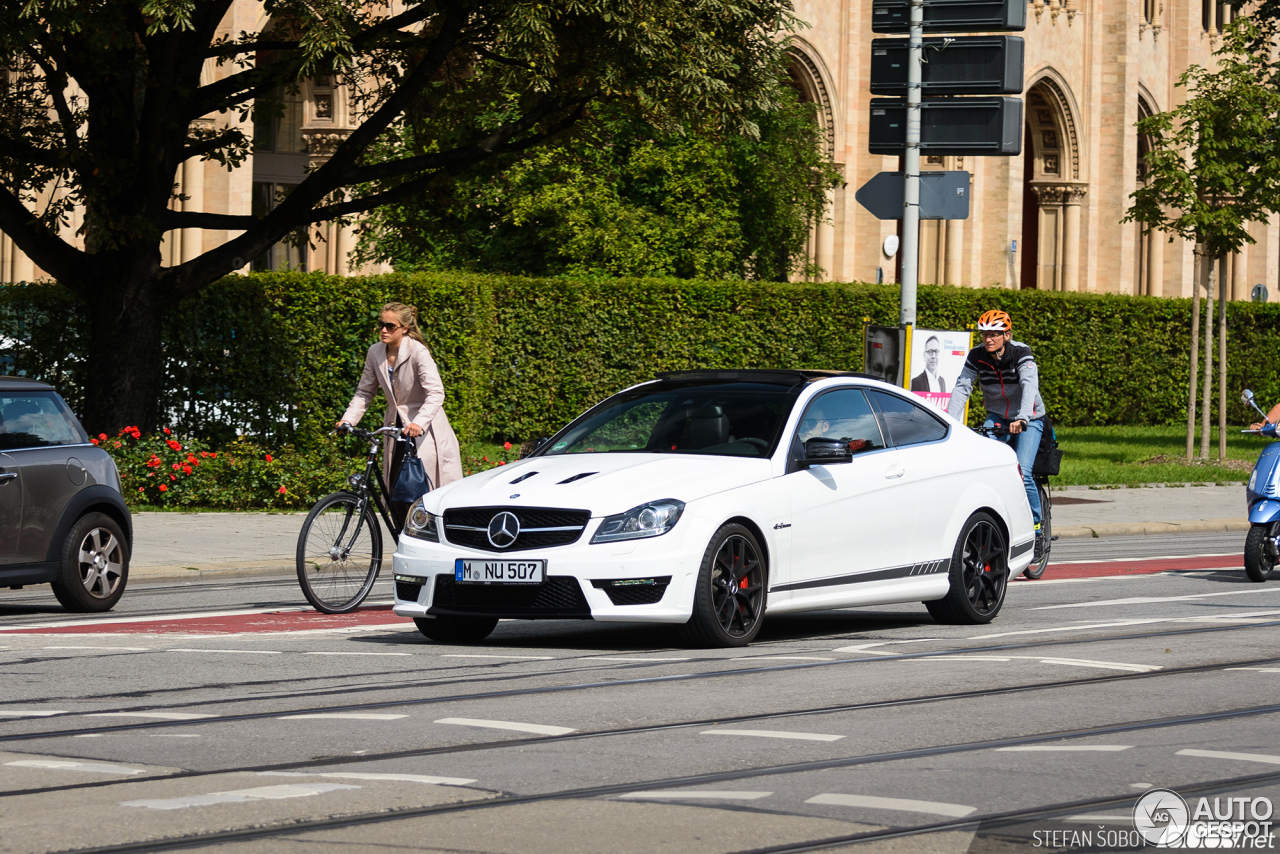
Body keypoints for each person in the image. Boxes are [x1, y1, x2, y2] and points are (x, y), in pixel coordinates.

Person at [336, 302, 463, 526]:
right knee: (395, 492)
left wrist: (418, 423)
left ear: (404, 328)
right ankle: (404, 542)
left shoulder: (417, 351)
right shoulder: (375, 352)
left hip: (425, 431)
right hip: (394, 429)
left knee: (419, 493)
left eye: (390, 326)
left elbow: (435, 392)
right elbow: (365, 391)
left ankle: (426, 541)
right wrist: (348, 419)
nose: (384, 330)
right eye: (381, 325)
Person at [946, 310, 1048, 557]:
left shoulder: (1021, 353)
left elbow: (1028, 386)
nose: (988, 339)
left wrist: (1023, 417)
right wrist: (948, 422)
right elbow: (963, 387)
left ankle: (1037, 529)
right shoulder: (977, 356)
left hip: (1029, 417)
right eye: (985, 334)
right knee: (986, 469)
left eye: (993, 334)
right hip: (997, 417)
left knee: (1022, 473)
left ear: (1007, 335)